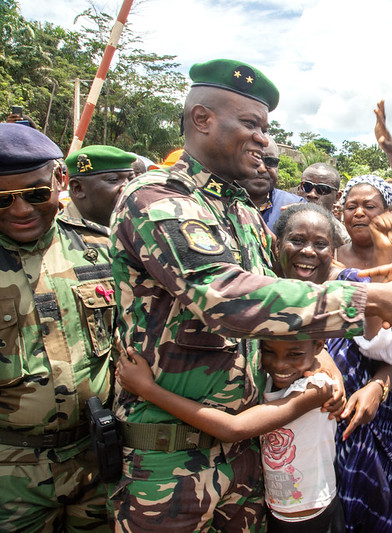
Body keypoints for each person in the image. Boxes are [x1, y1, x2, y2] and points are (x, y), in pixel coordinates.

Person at [109, 58, 392, 531]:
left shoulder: (241, 210)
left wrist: (323, 361)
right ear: (202, 119)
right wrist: (370, 303)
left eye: (264, 128)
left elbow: (284, 293)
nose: (263, 139)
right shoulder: (159, 196)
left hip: (249, 446)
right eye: (250, 124)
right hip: (171, 456)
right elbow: (224, 296)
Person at [0, 124, 114, 532]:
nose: (20, 210)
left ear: (60, 180)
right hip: (11, 472)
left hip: (97, 460)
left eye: (34, 194)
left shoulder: (100, 248)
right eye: (2, 199)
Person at [115, 338, 345, 533]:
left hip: (309, 514)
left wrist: (148, 389)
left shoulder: (317, 389)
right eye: (268, 352)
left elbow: (232, 429)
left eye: (294, 354)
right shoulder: (269, 379)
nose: (280, 364)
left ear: (318, 346)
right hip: (277, 508)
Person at [274, 202, 392, 533]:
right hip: (287, 451)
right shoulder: (259, 295)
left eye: (320, 244)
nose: (308, 252)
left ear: (333, 251)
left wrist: (378, 387)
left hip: (355, 438)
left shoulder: (352, 286)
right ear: (277, 245)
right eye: (297, 240)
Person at [237, 135, 305, 232]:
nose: (262, 169)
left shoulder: (295, 205)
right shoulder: (217, 203)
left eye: (270, 161)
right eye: (254, 159)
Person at [64, 144, 136, 227]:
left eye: (130, 179)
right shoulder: (56, 235)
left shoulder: (137, 226)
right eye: (114, 180)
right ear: (78, 188)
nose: (125, 189)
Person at [297, 163, 350, 247]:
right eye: (306, 186)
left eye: (323, 189)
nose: (312, 194)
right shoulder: (285, 224)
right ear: (299, 189)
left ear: (337, 197)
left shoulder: (343, 237)